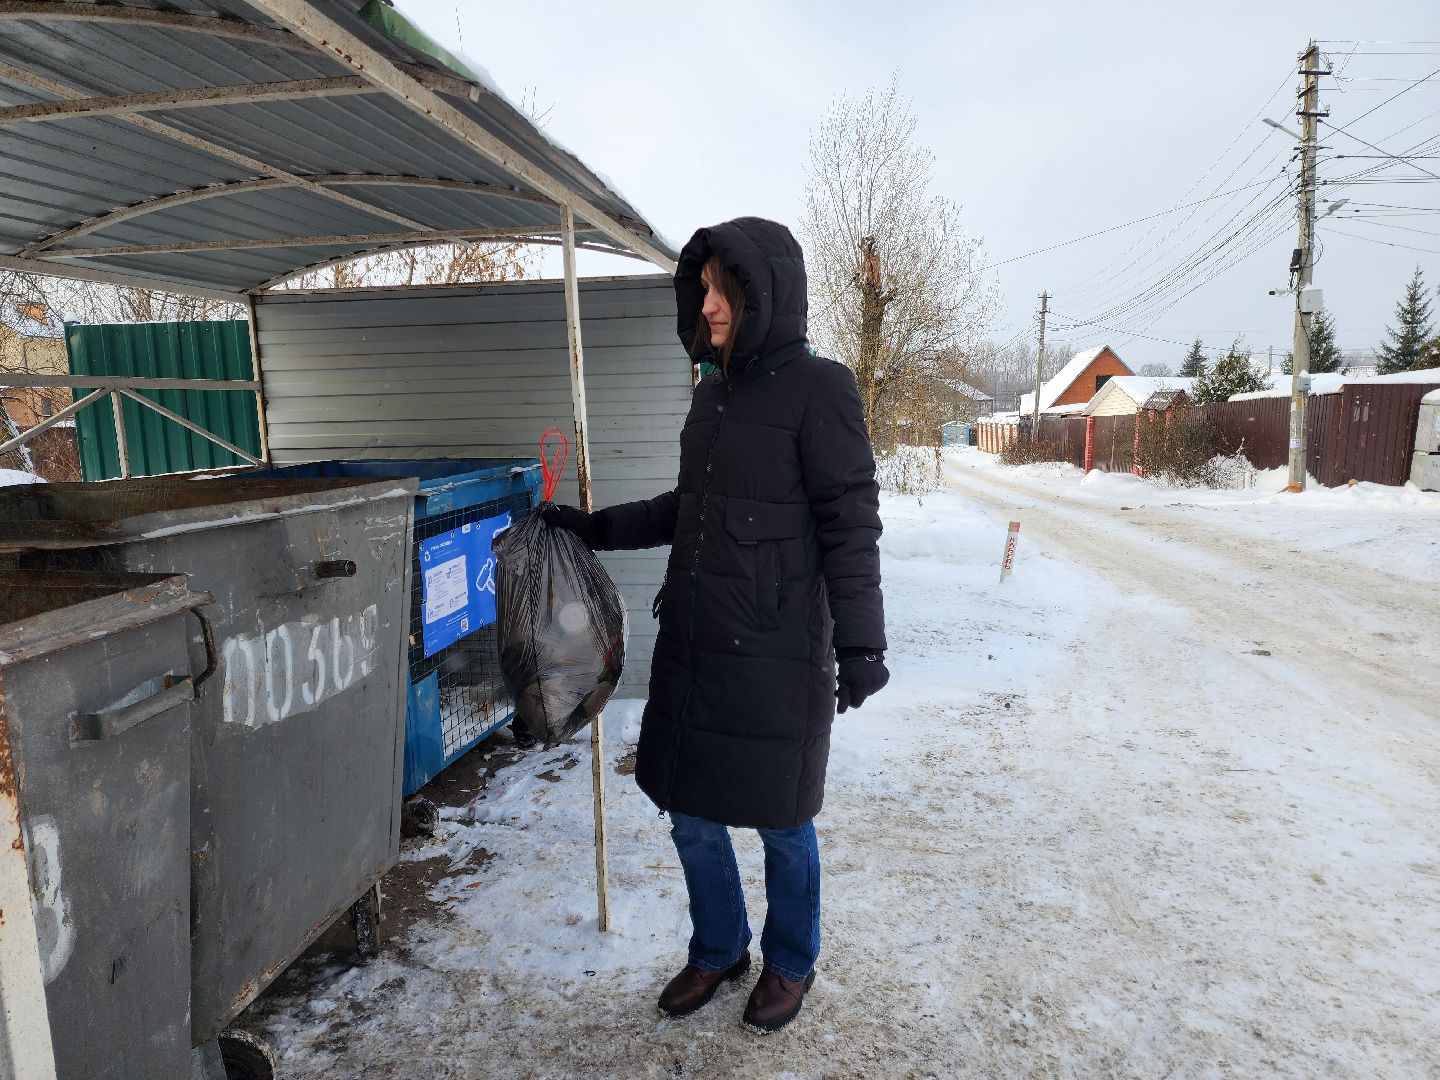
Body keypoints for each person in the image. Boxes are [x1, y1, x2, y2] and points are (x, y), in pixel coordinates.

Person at [543, 216, 888, 1034]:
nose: (707, 303)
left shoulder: (823, 388)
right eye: (698, 288)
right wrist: (597, 527)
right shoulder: (713, 393)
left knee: (781, 819)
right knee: (691, 810)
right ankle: (719, 946)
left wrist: (862, 642)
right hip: (696, 645)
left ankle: (791, 961)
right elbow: (685, 509)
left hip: (775, 653)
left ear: (759, 292)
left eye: (718, 288)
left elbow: (851, 521)